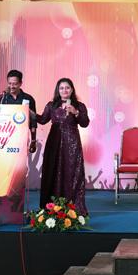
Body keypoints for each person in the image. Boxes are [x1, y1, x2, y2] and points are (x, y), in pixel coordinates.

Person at [36, 78, 90, 214]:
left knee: (72, 172)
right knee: (53, 172)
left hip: (72, 144)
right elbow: (42, 120)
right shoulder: (51, 105)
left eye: (67, 88)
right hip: (54, 142)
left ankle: (72, 208)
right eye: (61, 88)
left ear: (72, 90)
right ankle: (52, 207)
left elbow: (85, 123)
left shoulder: (79, 105)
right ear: (58, 90)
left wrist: (75, 112)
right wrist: (28, 113)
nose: (64, 90)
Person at [0, 70, 37, 153]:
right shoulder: (0, 99)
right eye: (9, 83)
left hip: (21, 139)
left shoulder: (28, 99)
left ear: (20, 83)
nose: (11, 86)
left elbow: (33, 122)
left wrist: (33, 140)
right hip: (2, 139)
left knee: (20, 160)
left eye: (15, 84)